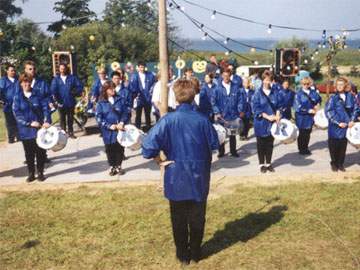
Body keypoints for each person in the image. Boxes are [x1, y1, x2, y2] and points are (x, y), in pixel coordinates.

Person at [142, 79, 219, 265]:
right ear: (194, 96)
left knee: (178, 217)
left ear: (175, 97)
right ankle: (196, 252)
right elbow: (215, 144)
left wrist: (159, 161)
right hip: (199, 176)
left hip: (175, 175)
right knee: (197, 216)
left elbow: (147, 147)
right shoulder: (202, 120)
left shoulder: (168, 120)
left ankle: (183, 254)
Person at [13, 74, 51, 182]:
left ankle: (40, 172)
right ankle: (31, 173)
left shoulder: (38, 95)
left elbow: (45, 109)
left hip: (40, 130)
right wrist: (29, 123)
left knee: (40, 152)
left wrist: (47, 121)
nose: (26, 84)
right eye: (24, 82)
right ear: (20, 84)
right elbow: (17, 113)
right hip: (26, 131)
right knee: (29, 153)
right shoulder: (17, 97)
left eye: (28, 81)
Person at [96, 81, 129, 176]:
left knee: (119, 148)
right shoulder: (101, 103)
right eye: (111, 88)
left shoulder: (120, 99)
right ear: (106, 90)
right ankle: (112, 166)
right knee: (109, 149)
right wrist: (109, 126)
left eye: (114, 88)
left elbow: (125, 113)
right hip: (107, 131)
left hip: (120, 129)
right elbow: (99, 118)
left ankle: (119, 166)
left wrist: (122, 122)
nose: (113, 90)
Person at [251, 71, 281, 173]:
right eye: (265, 79)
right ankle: (261, 164)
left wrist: (277, 115)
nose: (267, 82)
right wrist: (268, 117)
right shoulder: (257, 93)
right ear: (262, 80)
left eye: (269, 80)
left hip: (272, 123)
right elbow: (255, 109)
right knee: (261, 144)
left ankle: (268, 163)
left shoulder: (275, 93)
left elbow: (278, 106)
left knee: (270, 144)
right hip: (260, 122)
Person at [23, 60, 53, 163]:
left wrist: (50, 102)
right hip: (27, 113)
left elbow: (48, 95)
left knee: (42, 134)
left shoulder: (41, 82)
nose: (32, 71)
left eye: (34, 69)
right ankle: (30, 157)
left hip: (40, 112)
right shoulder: (22, 82)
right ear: (25, 70)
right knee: (29, 136)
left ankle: (43, 155)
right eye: (30, 69)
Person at [212, 68, 246, 158]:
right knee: (222, 133)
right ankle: (221, 151)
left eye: (228, 76)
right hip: (222, 115)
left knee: (232, 134)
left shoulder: (236, 87)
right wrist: (217, 112)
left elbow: (240, 100)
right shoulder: (217, 88)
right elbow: (213, 101)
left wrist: (240, 110)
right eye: (224, 75)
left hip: (233, 114)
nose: (226, 77)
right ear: (222, 76)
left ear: (230, 76)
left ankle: (233, 151)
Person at [325, 77, 356, 172]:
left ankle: (340, 164)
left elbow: (355, 109)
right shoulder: (333, 98)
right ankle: (334, 163)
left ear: (345, 85)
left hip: (346, 126)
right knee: (334, 146)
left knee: (343, 146)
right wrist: (338, 123)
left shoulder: (350, 96)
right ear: (335, 86)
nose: (339, 86)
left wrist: (352, 120)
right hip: (335, 127)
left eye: (341, 84)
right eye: (338, 84)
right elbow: (329, 112)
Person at [50, 63, 83, 138]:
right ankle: (63, 133)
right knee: (62, 118)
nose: (62, 70)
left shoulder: (72, 78)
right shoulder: (56, 79)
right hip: (60, 102)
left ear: (66, 69)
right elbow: (52, 90)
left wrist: (75, 92)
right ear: (59, 69)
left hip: (70, 101)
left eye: (63, 68)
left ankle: (71, 132)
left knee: (70, 118)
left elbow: (79, 86)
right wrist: (55, 99)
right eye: (61, 68)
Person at [294, 76, 322, 155]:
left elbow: (319, 99)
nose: (306, 85)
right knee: (302, 133)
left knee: (308, 132)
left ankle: (306, 147)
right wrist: (308, 110)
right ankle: (301, 148)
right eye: (304, 84)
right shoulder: (298, 94)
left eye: (307, 83)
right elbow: (297, 106)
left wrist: (318, 105)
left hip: (310, 117)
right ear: (301, 84)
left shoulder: (313, 92)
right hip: (301, 117)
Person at [129, 61, 156, 131]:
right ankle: (137, 128)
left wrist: (151, 93)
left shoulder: (150, 75)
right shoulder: (134, 76)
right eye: (140, 67)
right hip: (139, 98)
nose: (142, 69)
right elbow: (132, 87)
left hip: (148, 97)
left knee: (148, 114)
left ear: (145, 67)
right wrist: (135, 96)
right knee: (138, 114)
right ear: (138, 68)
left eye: (143, 67)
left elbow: (154, 84)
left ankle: (148, 128)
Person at [0, 64, 19, 143]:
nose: (13, 72)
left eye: (14, 70)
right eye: (11, 71)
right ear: (7, 71)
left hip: (18, 104)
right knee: (9, 122)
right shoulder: (3, 81)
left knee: (18, 120)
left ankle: (19, 136)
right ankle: (11, 138)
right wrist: (1, 100)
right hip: (8, 105)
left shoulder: (17, 79)